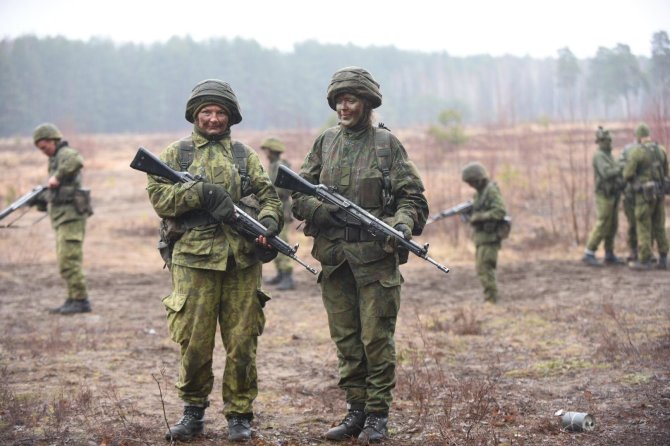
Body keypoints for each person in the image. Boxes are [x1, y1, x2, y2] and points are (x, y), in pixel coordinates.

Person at [292, 66, 428, 443]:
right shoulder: (325, 143)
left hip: (375, 260)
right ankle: (356, 411)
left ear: (366, 103)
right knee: (347, 340)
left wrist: (401, 225)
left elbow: (412, 198)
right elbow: (299, 194)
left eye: (349, 100)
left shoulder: (387, 146)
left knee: (376, 340)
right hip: (335, 260)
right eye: (338, 100)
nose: (342, 107)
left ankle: (377, 417)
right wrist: (322, 211)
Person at [146, 79, 283, 442]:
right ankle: (192, 412)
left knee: (242, 343)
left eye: (220, 112)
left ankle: (240, 415)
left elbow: (268, 195)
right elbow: (159, 198)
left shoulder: (244, 155)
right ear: (195, 114)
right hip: (194, 261)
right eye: (206, 111)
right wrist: (200, 192)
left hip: (241, 261)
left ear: (230, 117)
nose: (213, 118)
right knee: (194, 342)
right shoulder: (177, 155)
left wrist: (270, 220)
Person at [32, 123, 92, 314]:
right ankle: (72, 298)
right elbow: (56, 191)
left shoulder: (65, 153)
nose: (44, 152)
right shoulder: (54, 158)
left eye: (45, 147)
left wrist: (56, 177)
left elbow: (77, 160)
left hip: (71, 217)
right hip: (62, 218)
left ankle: (81, 300)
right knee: (64, 261)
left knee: (69, 259)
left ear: (53, 140)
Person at [622, 122, 669, 270]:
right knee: (659, 226)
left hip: (644, 197)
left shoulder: (637, 152)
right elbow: (667, 172)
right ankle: (663, 258)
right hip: (660, 195)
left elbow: (627, 174)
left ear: (638, 137)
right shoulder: (661, 150)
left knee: (643, 226)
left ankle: (645, 260)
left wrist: (638, 185)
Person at [461, 161, 509, 303]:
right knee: (481, 269)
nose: (470, 185)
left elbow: (500, 211)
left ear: (478, 179)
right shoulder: (480, 194)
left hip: (491, 237)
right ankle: (489, 298)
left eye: (471, 182)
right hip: (482, 237)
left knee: (486, 268)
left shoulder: (491, 191)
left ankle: (491, 300)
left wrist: (478, 216)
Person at [581, 126, 625, 267]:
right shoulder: (599, 155)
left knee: (612, 225)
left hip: (613, 193)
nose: (610, 142)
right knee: (603, 222)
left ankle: (609, 253)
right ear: (602, 141)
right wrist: (620, 168)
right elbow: (606, 173)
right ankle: (589, 252)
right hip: (604, 195)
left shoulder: (609, 155)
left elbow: (614, 171)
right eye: (608, 140)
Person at [260, 137, 295, 290]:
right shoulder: (273, 165)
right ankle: (280, 273)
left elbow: (286, 189)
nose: (266, 153)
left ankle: (288, 276)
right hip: (274, 210)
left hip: (281, 209)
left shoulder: (281, 166)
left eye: (267, 150)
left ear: (272, 151)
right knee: (273, 242)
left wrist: (270, 191)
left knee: (282, 242)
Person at [618, 140, 639, 261]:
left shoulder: (642, 154)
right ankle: (634, 250)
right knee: (633, 224)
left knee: (642, 224)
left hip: (640, 195)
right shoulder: (626, 154)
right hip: (630, 194)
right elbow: (622, 171)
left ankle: (642, 251)